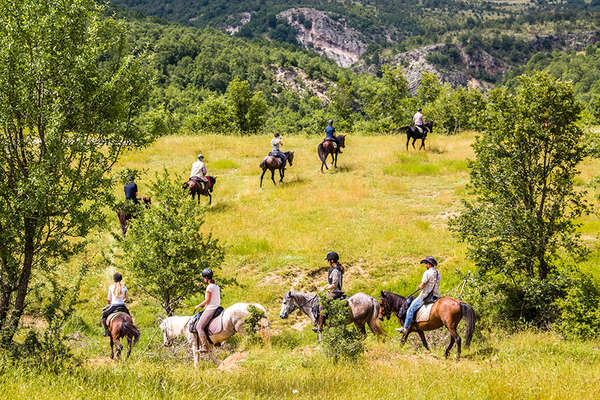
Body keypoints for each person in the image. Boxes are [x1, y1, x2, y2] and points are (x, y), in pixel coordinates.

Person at [396, 256, 441, 335]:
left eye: (426, 263)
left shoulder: (427, 273)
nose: (425, 265)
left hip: (426, 296)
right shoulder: (438, 273)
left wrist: (420, 286)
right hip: (436, 295)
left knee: (411, 309)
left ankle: (405, 328)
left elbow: (423, 284)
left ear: (429, 264)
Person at [313, 251, 346, 332]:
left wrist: (324, 289)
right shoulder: (334, 269)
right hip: (333, 291)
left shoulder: (335, 271)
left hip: (336, 292)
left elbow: (334, 285)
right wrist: (324, 287)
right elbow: (330, 284)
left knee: (322, 305)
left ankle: (320, 327)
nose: (327, 262)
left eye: (328, 260)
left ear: (331, 261)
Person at [193, 268, 221, 351]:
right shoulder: (216, 286)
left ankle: (204, 346)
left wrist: (198, 305)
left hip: (211, 308)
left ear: (205, 277)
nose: (203, 279)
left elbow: (207, 301)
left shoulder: (209, 287)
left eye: (203, 278)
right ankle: (216, 341)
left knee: (199, 327)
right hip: (217, 307)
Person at [101, 272, 131, 337]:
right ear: (121, 279)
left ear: (114, 279)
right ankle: (131, 331)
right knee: (129, 317)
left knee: (103, 316)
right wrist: (122, 301)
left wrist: (109, 304)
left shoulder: (111, 287)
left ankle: (107, 331)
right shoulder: (124, 288)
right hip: (122, 306)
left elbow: (109, 299)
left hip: (113, 306)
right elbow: (127, 299)